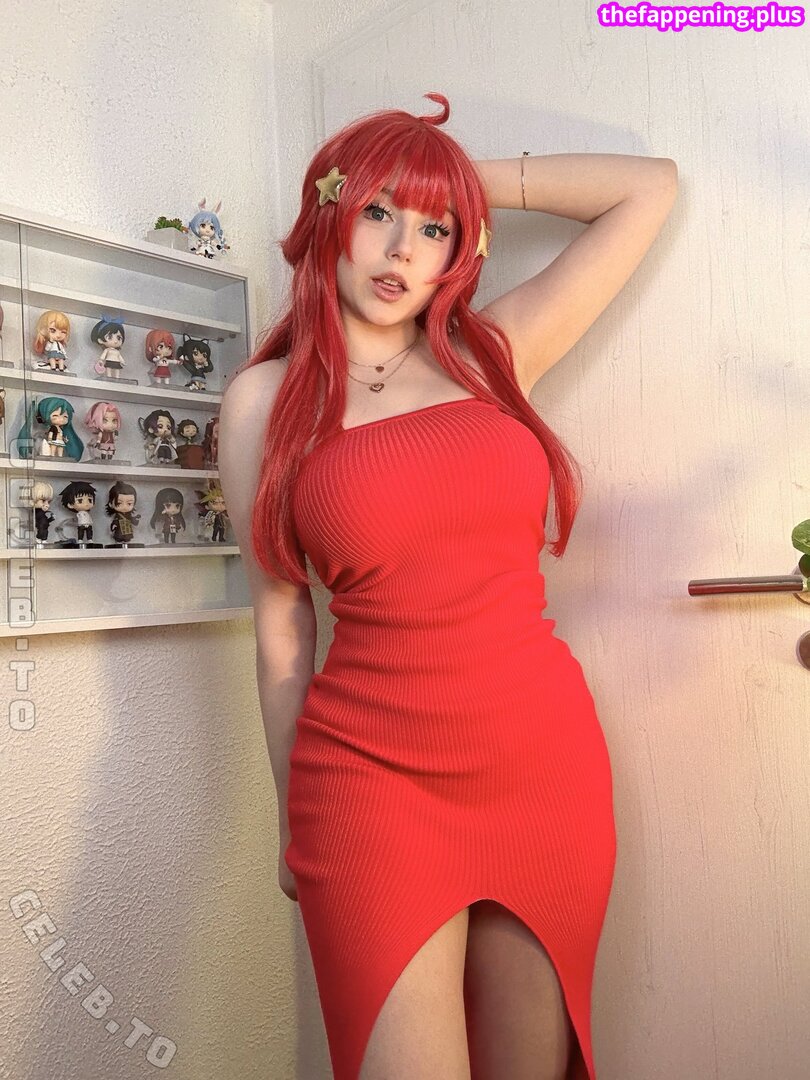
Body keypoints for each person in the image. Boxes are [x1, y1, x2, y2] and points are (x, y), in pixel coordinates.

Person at [219, 92, 677, 1080]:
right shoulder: (265, 400)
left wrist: (461, 179)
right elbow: (282, 629)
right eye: (379, 210)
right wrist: (292, 816)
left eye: (435, 228)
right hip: (367, 781)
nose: (402, 248)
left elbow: (648, 189)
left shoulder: (490, 356)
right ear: (330, 211)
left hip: (539, 762)